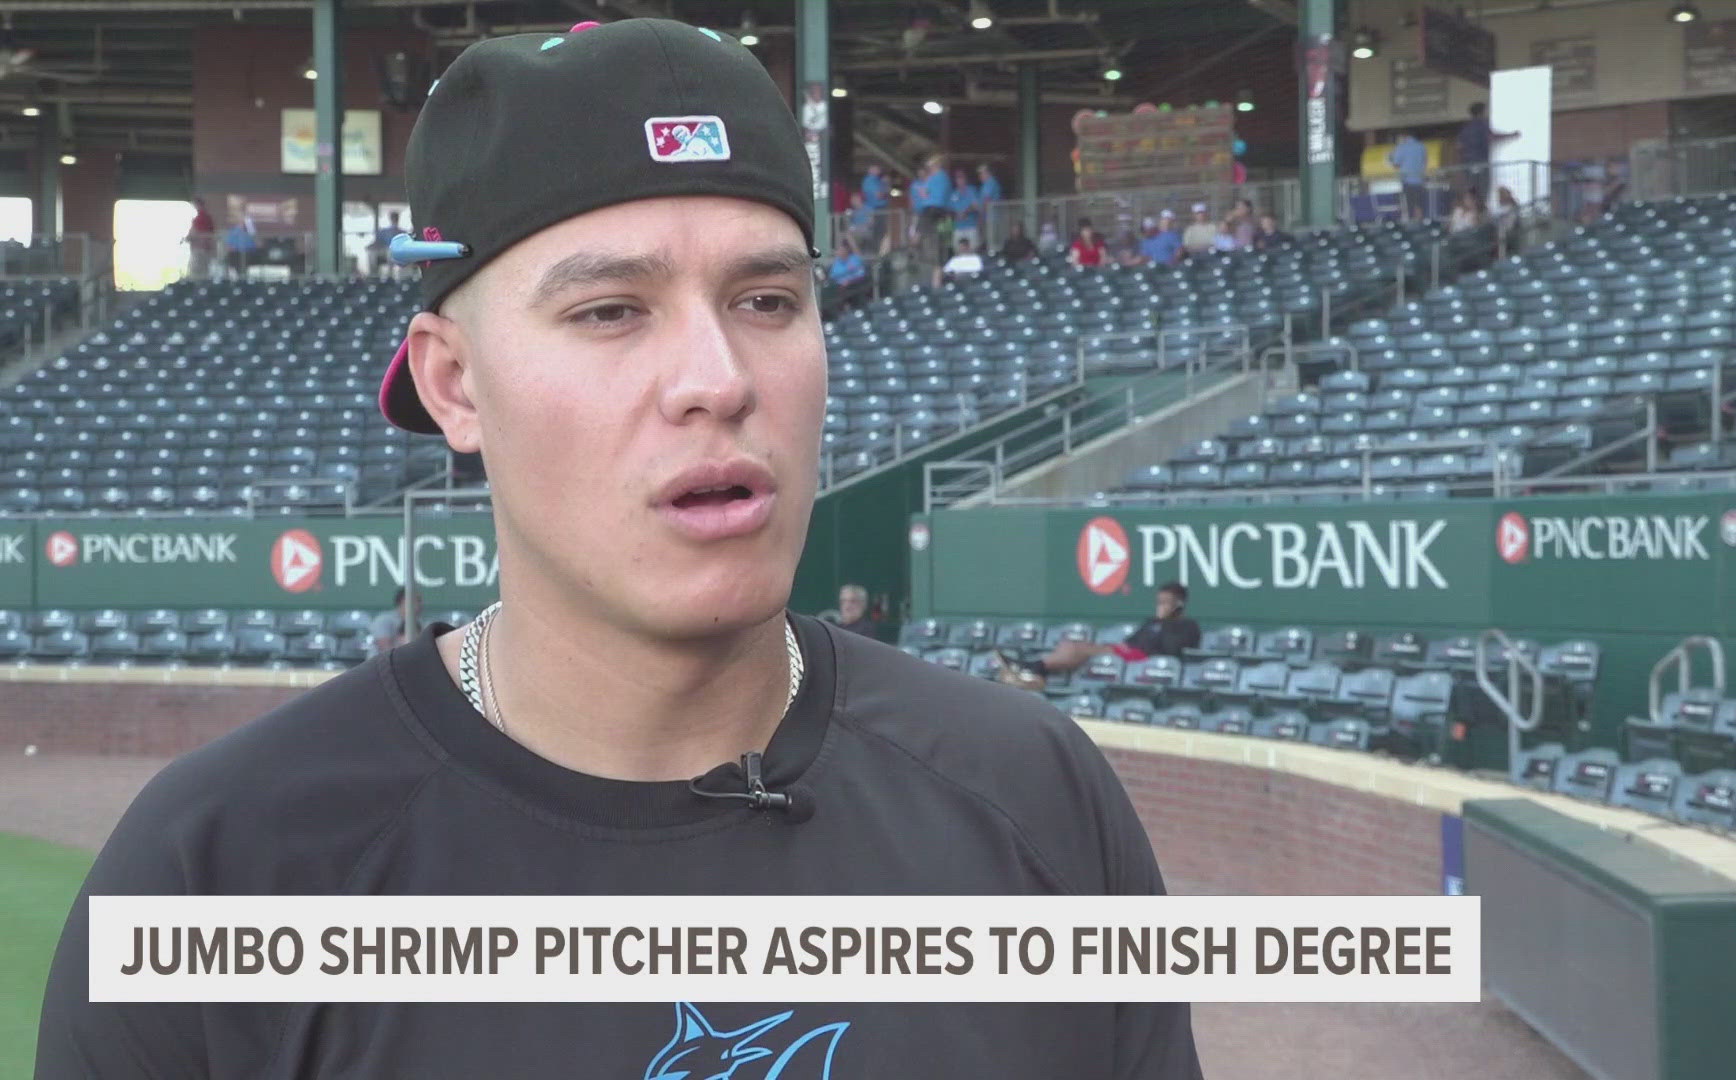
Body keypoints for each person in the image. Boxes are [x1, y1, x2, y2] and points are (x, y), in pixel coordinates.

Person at [36, 18, 1200, 1080]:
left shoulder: (1033, 796)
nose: (719, 380)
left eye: (767, 300)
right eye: (609, 311)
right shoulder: (226, 866)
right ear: (455, 383)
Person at [996, 583, 1201, 690]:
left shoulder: (1187, 626)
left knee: (1077, 649)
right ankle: (1035, 671)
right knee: (1071, 644)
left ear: (1179, 604)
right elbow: (1131, 641)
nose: (1160, 606)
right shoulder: (1151, 621)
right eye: (1159, 601)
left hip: (1144, 659)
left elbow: (1172, 649)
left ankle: (1031, 669)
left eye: (1165, 602)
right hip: (1128, 652)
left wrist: (1166, 621)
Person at [1456, 102, 1517, 198]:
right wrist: (1511, 135)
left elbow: (1459, 146)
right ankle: (1482, 209)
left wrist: (1461, 164)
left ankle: (1475, 207)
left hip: (1468, 163)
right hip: (1481, 162)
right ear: (1481, 112)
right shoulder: (1482, 125)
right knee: (1483, 189)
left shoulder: (1466, 128)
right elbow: (1491, 137)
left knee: (1472, 188)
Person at [369, 586, 425, 652]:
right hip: (383, 661)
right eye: (418, 600)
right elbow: (385, 649)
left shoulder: (419, 622)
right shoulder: (384, 620)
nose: (421, 604)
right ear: (404, 601)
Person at [1389, 131, 1429, 220]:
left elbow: (1396, 164)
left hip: (1407, 181)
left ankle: (1412, 223)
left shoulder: (1402, 147)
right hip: (1419, 180)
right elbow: (1425, 162)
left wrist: (1391, 157)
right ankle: (1422, 221)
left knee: (1410, 205)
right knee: (1420, 204)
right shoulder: (1421, 146)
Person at [949, 168, 983, 252]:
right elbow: (950, 208)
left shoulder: (971, 190)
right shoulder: (954, 194)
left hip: (971, 226)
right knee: (957, 251)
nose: (959, 180)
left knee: (973, 250)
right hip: (958, 227)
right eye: (957, 178)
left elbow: (976, 205)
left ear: (965, 179)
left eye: (961, 177)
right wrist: (955, 214)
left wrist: (966, 212)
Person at [186, 197, 216, 279]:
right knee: (203, 271)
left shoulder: (201, 218)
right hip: (204, 249)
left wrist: (190, 237)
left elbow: (200, 234)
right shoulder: (206, 218)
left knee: (197, 273)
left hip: (200, 250)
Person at [370, 210, 405, 278]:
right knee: (372, 253)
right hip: (385, 249)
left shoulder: (402, 232)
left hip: (398, 250)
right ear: (390, 219)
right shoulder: (385, 231)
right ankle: (374, 275)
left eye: (396, 217)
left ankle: (392, 276)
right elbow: (377, 241)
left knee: (392, 253)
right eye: (393, 217)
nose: (394, 219)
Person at [222, 214, 258, 279]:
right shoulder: (233, 232)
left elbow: (254, 245)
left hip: (248, 254)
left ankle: (243, 276)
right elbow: (228, 245)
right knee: (230, 260)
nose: (244, 224)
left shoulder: (250, 233)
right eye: (243, 222)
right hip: (235, 254)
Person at [976, 162, 1002, 235]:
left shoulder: (990, 182)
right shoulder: (986, 184)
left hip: (991, 218)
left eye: (982, 173)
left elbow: (986, 201)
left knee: (991, 241)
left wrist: (980, 218)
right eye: (979, 174)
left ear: (988, 173)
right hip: (989, 218)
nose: (980, 176)